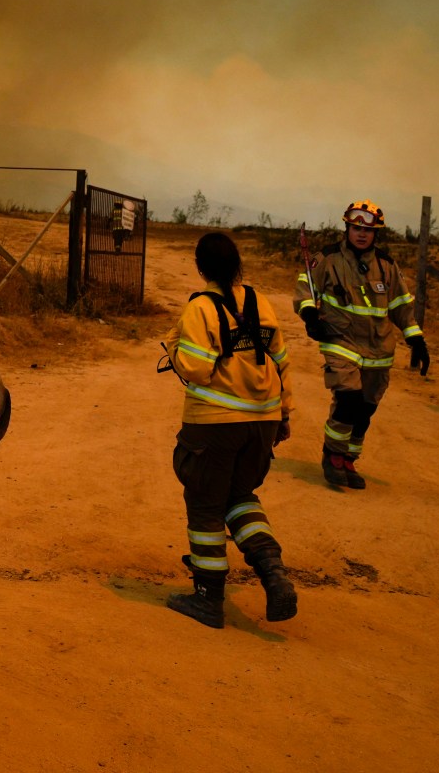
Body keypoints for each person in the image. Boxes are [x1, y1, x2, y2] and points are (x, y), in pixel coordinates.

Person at [164, 232, 299, 628]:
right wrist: (285, 415)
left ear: (200, 266)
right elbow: (282, 363)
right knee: (240, 496)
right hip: (263, 422)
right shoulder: (261, 304)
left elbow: (195, 369)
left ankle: (207, 598)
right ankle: (274, 574)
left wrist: (172, 346)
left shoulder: (200, 308)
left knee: (206, 505)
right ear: (237, 263)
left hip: (215, 424)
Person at [294, 201, 429, 491]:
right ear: (347, 227)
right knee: (348, 400)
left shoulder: (387, 266)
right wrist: (308, 314)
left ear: (376, 233)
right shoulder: (327, 259)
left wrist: (415, 337)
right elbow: (306, 289)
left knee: (365, 410)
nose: (362, 234)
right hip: (340, 341)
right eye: (357, 228)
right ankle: (332, 456)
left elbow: (401, 306)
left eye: (368, 229)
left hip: (379, 350)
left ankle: (349, 458)